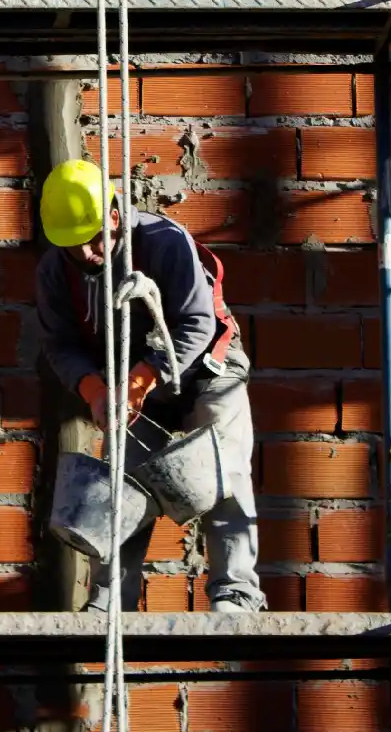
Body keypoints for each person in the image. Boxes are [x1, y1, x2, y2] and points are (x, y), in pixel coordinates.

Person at [35, 159, 264, 614]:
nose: (86, 254)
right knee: (118, 486)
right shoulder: (55, 271)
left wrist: (139, 380)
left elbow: (197, 324)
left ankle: (236, 592)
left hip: (208, 369)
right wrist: (95, 391)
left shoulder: (163, 242)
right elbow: (59, 345)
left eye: (94, 239)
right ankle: (109, 602)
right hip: (127, 386)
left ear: (115, 216)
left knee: (226, 470)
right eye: (72, 246)